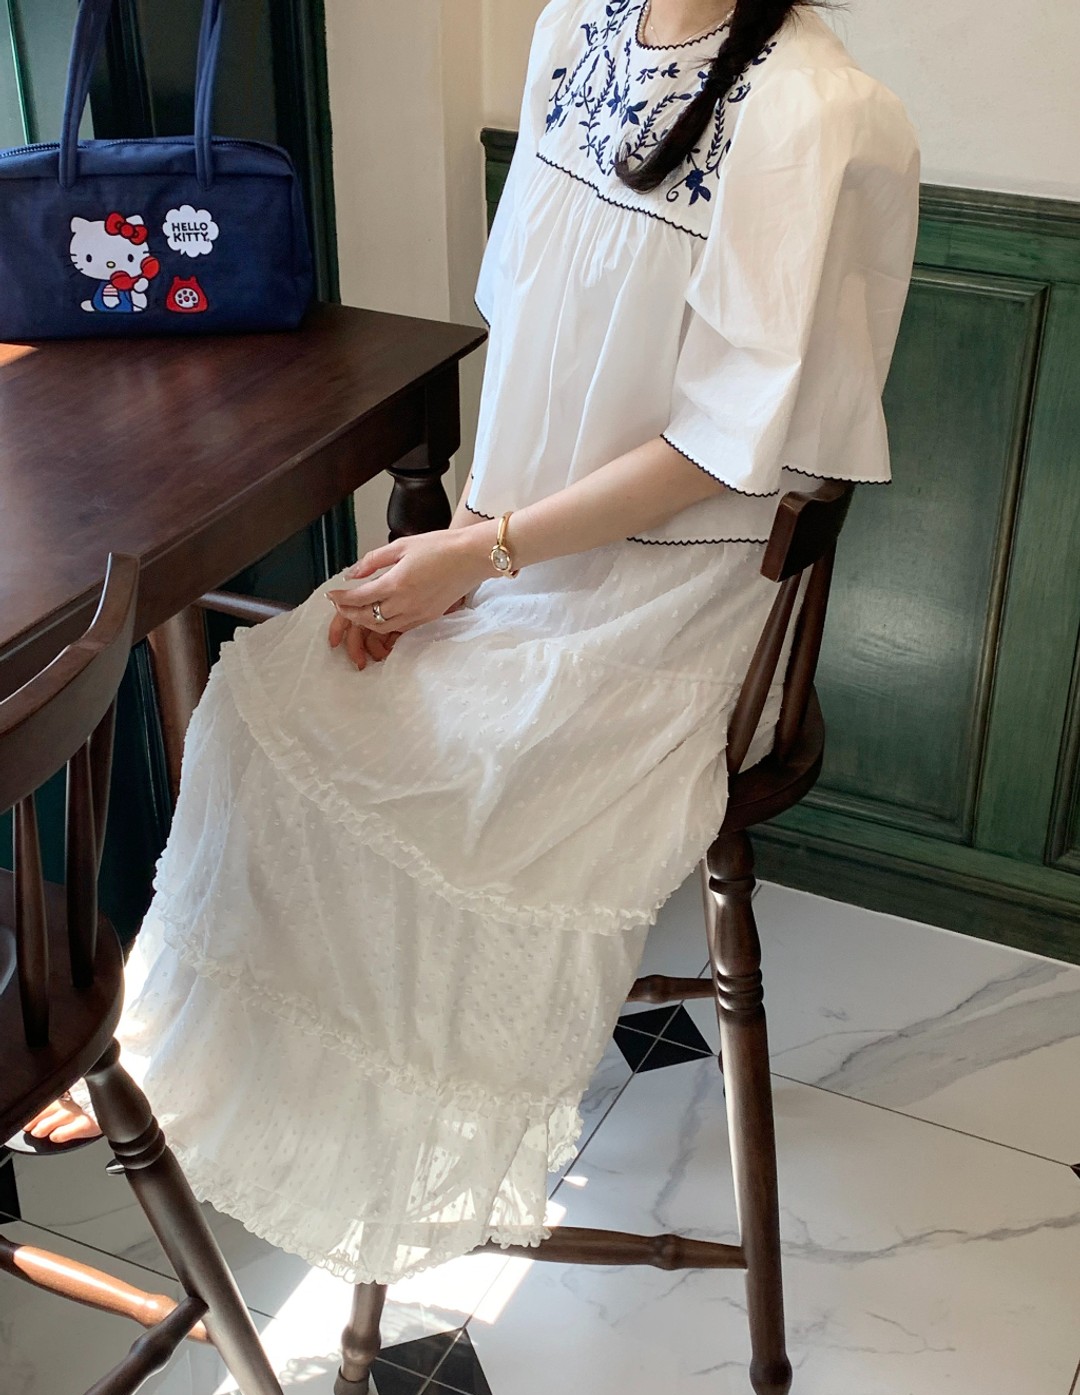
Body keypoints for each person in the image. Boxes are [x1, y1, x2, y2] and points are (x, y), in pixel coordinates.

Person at [23, 0, 919, 1286]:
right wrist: (466, 544)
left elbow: (721, 447)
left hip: (672, 592)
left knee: (412, 765)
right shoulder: (575, 30)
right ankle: (267, 1081)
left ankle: (389, 1130)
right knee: (273, 695)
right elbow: (544, 352)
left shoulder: (812, 112)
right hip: (525, 537)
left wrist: (482, 554)